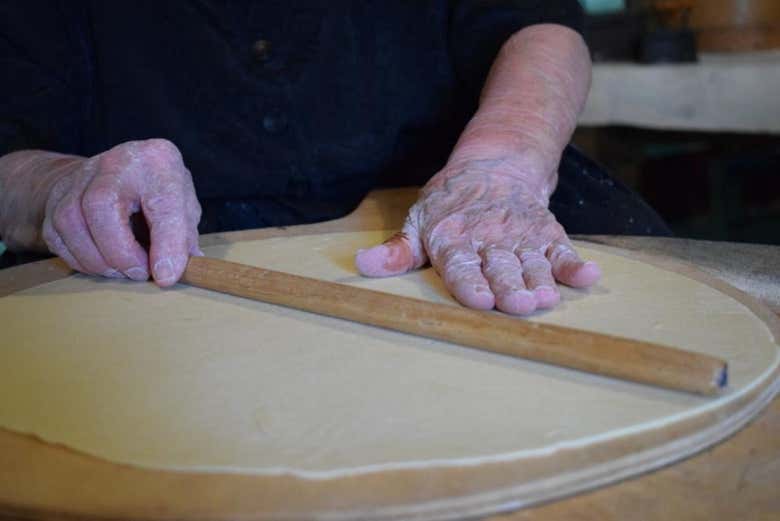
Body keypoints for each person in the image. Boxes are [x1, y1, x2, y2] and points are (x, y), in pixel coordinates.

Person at [0, 1, 670, 315]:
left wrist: (503, 163)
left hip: (445, 206)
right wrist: (59, 186)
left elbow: (541, 28)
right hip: (163, 251)